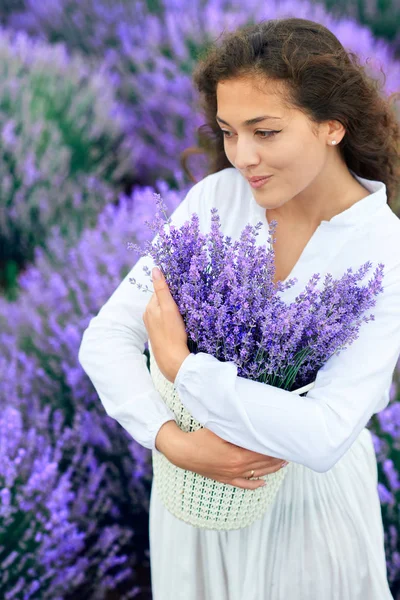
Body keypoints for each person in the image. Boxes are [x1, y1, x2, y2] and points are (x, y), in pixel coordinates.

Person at [78, 17, 400, 599]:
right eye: (228, 131)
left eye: (266, 131)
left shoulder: (383, 249)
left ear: (332, 126)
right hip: (190, 505)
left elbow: (323, 436)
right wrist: (171, 440)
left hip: (307, 518)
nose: (242, 156)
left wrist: (182, 369)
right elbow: (105, 339)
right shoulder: (217, 200)